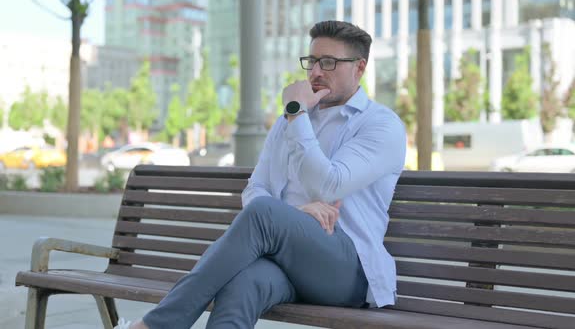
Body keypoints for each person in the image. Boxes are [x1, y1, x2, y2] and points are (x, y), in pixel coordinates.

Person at [118, 20, 406, 329]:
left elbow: (329, 184)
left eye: (329, 62)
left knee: (265, 213)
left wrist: (296, 114)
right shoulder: (290, 122)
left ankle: (156, 325)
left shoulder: (379, 125)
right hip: (286, 262)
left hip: (348, 268)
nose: (316, 72)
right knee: (243, 283)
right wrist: (293, 214)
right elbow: (256, 188)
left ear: (359, 68)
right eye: (312, 62)